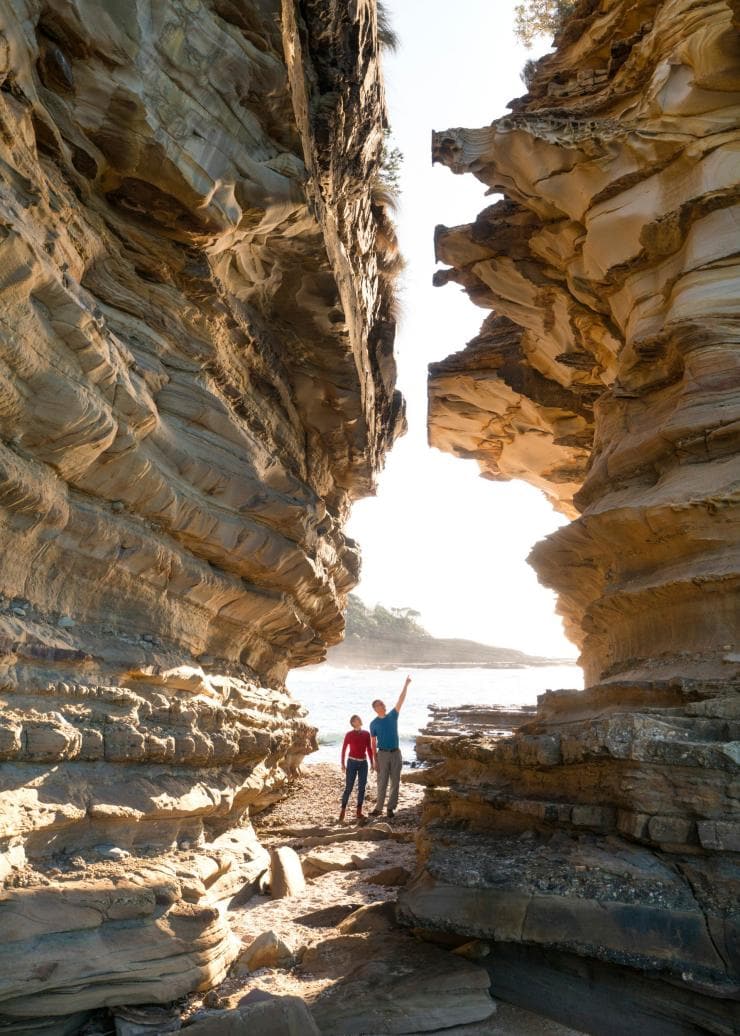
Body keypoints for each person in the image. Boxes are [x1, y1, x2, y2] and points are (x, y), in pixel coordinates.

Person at [369, 675, 411, 819]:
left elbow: (401, 700)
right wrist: (374, 760)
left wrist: (406, 685)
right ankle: (378, 808)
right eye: (380, 704)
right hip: (382, 755)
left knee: (395, 782)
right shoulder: (373, 723)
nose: (384, 705)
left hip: (396, 753)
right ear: (376, 708)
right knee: (382, 782)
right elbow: (373, 743)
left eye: (383, 703)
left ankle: (390, 808)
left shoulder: (393, 715)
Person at [339, 714, 375, 824]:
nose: (358, 720)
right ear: (352, 723)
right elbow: (344, 749)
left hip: (363, 763)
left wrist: (372, 763)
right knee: (348, 787)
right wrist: (343, 763)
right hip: (352, 763)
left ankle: (359, 811)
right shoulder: (349, 734)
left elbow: (369, 749)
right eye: (356, 720)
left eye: (359, 719)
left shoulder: (366, 734)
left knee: (362, 788)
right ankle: (343, 810)